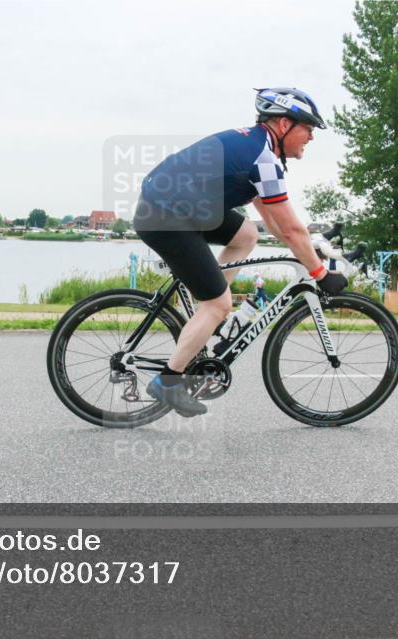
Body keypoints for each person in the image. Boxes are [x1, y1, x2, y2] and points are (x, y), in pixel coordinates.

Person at [132, 87, 348, 417]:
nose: (311, 136)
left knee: (246, 234)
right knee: (218, 304)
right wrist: (320, 273)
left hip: (177, 207)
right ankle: (169, 381)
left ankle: (206, 316)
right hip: (165, 215)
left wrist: (308, 248)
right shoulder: (263, 159)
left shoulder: (258, 148)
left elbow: (277, 223)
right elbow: (290, 230)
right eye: (308, 127)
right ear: (284, 124)